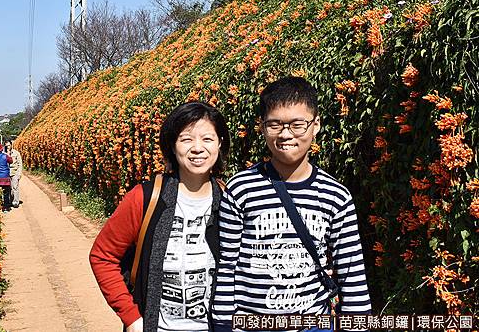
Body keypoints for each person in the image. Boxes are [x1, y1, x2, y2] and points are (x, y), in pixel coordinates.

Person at [212, 77, 371, 332]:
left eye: (297, 124)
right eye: (275, 124)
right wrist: (222, 325)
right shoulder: (240, 188)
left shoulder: (336, 195)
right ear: (262, 127)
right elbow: (226, 266)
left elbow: (352, 272)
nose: (286, 135)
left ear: (315, 125)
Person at [90, 101, 231, 332]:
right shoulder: (145, 198)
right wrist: (133, 319)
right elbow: (102, 256)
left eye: (207, 139)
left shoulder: (230, 201)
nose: (197, 148)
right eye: (186, 139)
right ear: (172, 146)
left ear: (219, 143)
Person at [5, 140, 23, 208]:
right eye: (6, 146)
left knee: (15, 187)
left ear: (11, 145)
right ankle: (10, 201)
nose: (8, 147)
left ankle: (16, 202)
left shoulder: (16, 153)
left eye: (9, 145)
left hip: (14, 172)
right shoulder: (4, 153)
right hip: (6, 173)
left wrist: (19, 174)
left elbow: (20, 164)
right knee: (8, 188)